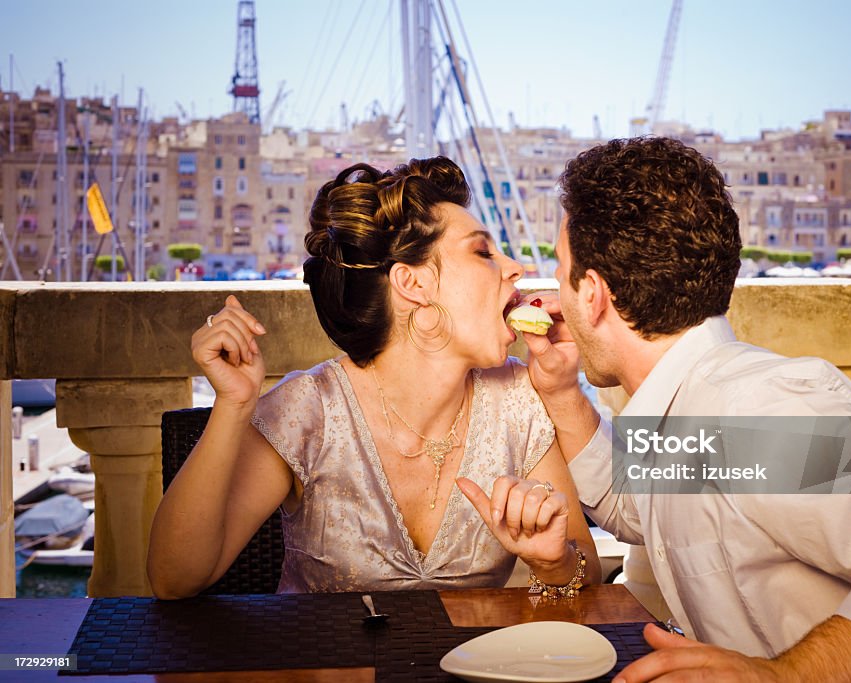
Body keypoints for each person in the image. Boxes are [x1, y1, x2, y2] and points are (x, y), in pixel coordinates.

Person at [522, 137, 851, 681]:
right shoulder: (690, 405)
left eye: (560, 267)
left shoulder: (754, 411)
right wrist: (561, 392)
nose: (558, 294)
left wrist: (791, 675)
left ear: (593, 294)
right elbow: (641, 508)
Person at [148, 156, 599, 598]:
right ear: (412, 284)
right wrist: (233, 405)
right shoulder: (307, 410)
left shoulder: (519, 399)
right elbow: (174, 580)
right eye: (483, 251)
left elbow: (588, 574)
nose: (515, 268)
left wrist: (553, 562)